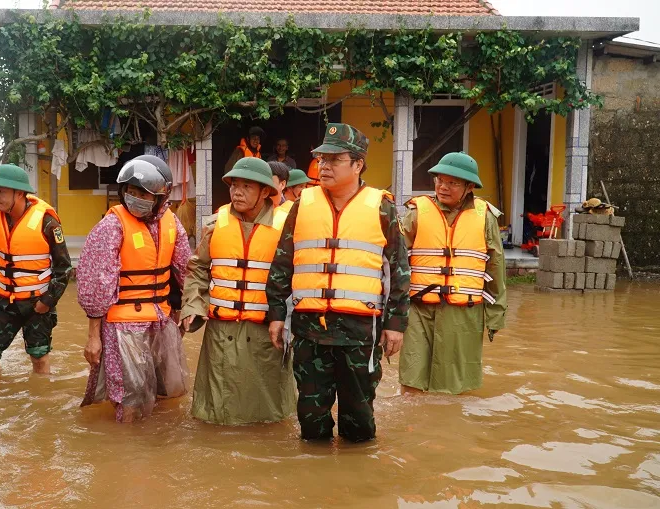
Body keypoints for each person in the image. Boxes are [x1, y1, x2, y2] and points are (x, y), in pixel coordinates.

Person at [266, 123, 411, 443]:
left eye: (334, 159)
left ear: (358, 164)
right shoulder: (303, 204)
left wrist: (396, 323)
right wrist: (276, 314)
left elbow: (400, 269)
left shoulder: (382, 206)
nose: (324, 166)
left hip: (359, 330)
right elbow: (282, 262)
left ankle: (355, 485)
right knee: (311, 420)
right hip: (308, 329)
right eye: (321, 159)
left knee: (358, 420)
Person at [181, 157, 296, 425]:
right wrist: (192, 307)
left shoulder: (286, 229)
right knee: (215, 414)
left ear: (266, 191)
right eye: (234, 185)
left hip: (267, 333)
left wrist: (291, 321)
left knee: (269, 416)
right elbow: (197, 269)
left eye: (246, 186)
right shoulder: (214, 225)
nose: (237, 192)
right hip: (221, 334)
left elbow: (297, 278)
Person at [79, 155, 192, 422]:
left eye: (143, 192)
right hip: (123, 327)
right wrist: (93, 337)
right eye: (131, 191)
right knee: (130, 398)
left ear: (160, 198)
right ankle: (126, 454)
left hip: (161, 321)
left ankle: (158, 452)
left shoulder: (172, 224)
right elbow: (96, 284)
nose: (135, 197)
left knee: (167, 392)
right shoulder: (111, 226)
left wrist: (185, 309)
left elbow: (186, 270)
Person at [398, 152, 507, 395]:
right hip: (418, 307)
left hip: (464, 312)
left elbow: (496, 267)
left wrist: (495, 315)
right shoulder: (417, 212)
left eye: (453, 183)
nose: (443, 187)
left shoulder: (485, 216)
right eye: (439, 180)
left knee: (454, 385)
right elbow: (396, 259)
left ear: (469, 187)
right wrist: (390, 309)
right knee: (411, 378)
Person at [0, 164, 72, 376]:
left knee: (39, 356)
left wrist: (46, 303)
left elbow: (64, 268)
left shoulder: (47, 221)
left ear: (19, 193)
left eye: (1, 191)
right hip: (1, 300)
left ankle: (40, 401)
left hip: (36, 302)